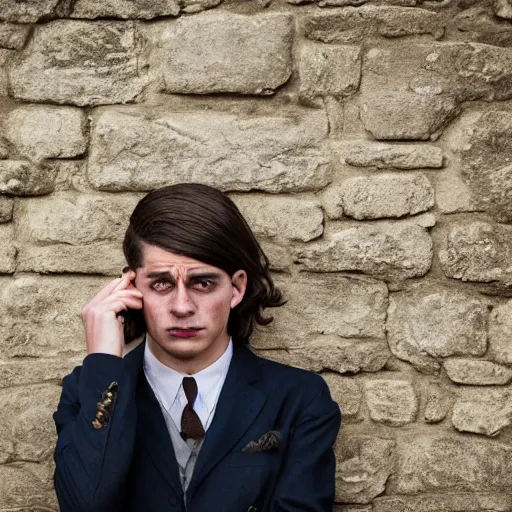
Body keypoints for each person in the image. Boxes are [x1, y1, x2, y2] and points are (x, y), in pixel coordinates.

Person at [53, 183, 341, 512]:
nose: (182, 306)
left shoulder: (299, 398)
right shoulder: (87, 390)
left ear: (236, 288)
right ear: (131, 287)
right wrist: (103, 361)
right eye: (161, 283)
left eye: (202, 283)